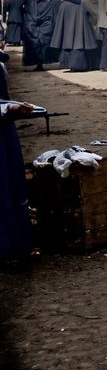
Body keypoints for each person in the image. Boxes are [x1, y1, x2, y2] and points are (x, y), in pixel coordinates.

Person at [0, 50, 33, 264]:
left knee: (12, 185)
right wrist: (7, 108)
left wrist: (10, 105)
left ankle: (18, 243)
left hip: (5, 132)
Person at [49, 0, 100, 72]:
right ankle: (81, 66)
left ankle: (70, 65)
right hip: (80, 32)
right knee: (79, 48)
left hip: (67, 33)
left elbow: (60, 21)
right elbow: (89, 17)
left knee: (69, 48)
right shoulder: (82, 4)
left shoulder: (64, 5)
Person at [22, 0, 55, 71]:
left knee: (43, 47)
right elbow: (27, 15)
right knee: (34, 47)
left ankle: (40, 64)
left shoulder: (47, 4)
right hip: (32, 29)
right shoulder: (30, 3)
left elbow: (50, 17)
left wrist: (45, 27)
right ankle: (37, 63)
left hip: (44, 30)